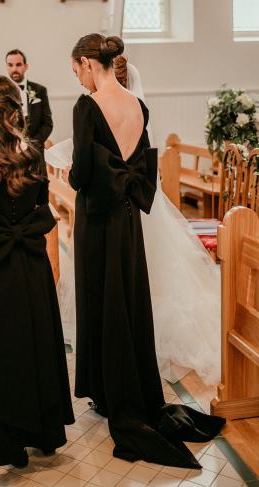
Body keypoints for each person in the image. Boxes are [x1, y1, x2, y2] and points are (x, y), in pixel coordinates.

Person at [64, 33, 225, 468]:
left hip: (98, 220)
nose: (76, 77)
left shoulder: (87, 107)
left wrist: (66, 172)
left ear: (87, 63)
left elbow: (82, 171)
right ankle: (126, 386)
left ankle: (107, 391)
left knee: (101, 297)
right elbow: (131, 160)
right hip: (129, 217)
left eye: (76, 68)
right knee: (128, 298)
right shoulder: (138, 105)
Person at [0, 75, 74, 468]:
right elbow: (44, 208)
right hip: (32, 267)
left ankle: (5, 444)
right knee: (34, 345)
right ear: (14, 111)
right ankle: (44, 434)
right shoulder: (34, 154)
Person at [113, 54, 221, 385]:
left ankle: (138, 319)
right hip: (139, 197)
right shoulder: (132, 107)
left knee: (147, 260)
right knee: (151, 260)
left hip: (131, 197)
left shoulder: (127, 108)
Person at [5, 49, 53, 150]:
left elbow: (47, 124)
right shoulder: (0, 92)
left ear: (25, 66)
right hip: (10, 152)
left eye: (18, 64)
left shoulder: (40, 90)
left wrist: (32, 144)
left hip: (35, 151)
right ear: (6, 67)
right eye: (10, 65)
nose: (14, 68)